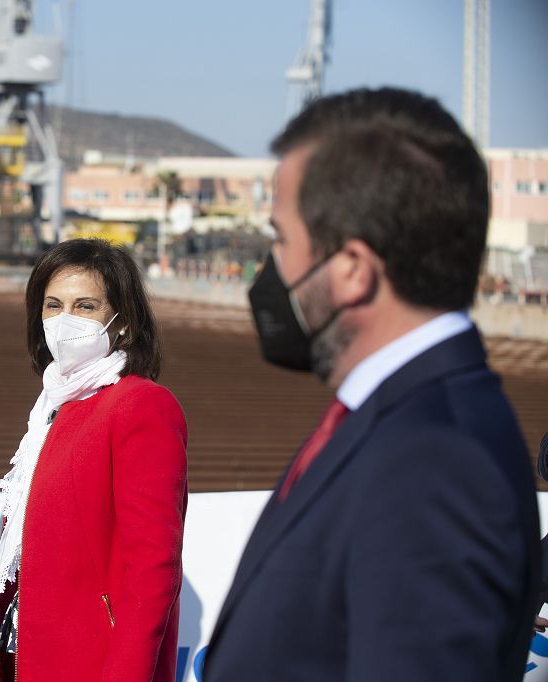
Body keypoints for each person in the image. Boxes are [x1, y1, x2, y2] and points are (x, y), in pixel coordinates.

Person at [201, 87, 541, 681]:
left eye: (280, 239)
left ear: (353, 269)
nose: (269, 268)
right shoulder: (394, 418)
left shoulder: (436, 461)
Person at [0, 239, 188, 681]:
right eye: (53, 305)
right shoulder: (53, 406)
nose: (64, 319)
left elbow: (153, 567)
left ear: (123, 323)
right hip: (24, 653)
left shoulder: (141, 405)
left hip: (89, 661)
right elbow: (24, 549)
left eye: (85, 306)